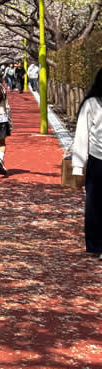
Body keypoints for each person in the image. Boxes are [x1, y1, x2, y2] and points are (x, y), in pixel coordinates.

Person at [68, 68, 102, 258]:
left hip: (97, 160)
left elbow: (82, 135)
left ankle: (96, 244)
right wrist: (78, 165)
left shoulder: (91, 103)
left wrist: (78, 166)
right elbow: (82, 134)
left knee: (95, 203)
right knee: (94, 203)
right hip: (97, 159)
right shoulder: (92, 104)